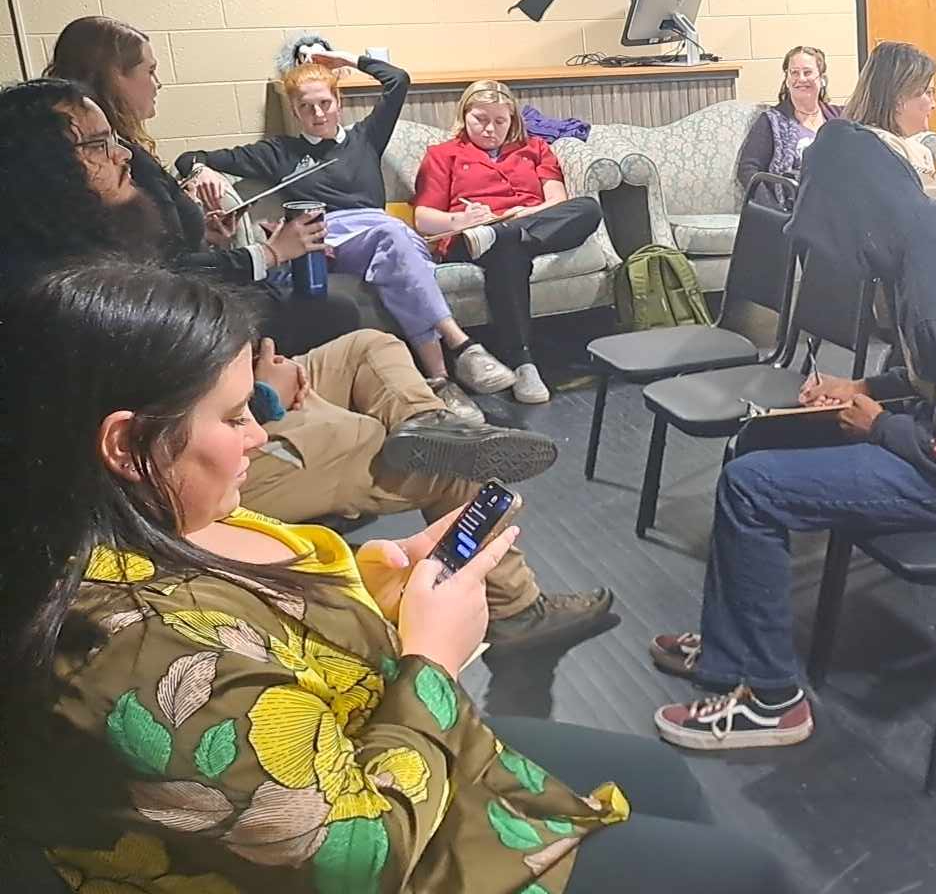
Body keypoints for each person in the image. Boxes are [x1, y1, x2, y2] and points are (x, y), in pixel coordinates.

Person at [0, 262, 793, 893]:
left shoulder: (171, 517)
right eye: (236, 415)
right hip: (388, 828)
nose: (257, 435)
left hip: (376, 737)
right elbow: (359, 856)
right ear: (127, 444)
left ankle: (421, 426)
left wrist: (389, 578)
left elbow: (260, 634)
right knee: (750, 874)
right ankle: (421, 432)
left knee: (664, 781)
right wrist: (435, 662)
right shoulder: (132, 659)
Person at [646, 118, 936, 747]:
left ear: (855, 219)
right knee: (756, 445)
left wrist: (879, 427)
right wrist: (870, 390)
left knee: (752, 487)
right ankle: (728, 650)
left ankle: (773, 701)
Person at [175, 47, 519, 404]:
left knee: (396, 248)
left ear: (338, 102)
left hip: (377, 237)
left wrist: (341, 59)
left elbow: (397, 80)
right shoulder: (279, 152)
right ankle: (461, 345)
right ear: (294, 111)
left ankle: (441, 380)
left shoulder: (365, 138)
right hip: (321, 239)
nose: (317, 113)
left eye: (325, 103)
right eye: (306, 107)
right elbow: (188, 158)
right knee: (392, 235)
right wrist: (202, 170)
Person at [241, 328, 615, 652]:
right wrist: (264, 398)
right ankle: (515, 608)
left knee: (368, 348)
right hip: (234, 438)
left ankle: (426, 423)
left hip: (238, 385)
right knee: (451, 464)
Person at [39, 19, 359, 354]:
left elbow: (158, 241)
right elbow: (159, 269)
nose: (157, 83)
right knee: (337, 312)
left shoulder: (124, 149)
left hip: (192, 289)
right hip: (179, 312)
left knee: (342, 313)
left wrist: (202, 232)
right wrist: (270, 252)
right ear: (114, 76)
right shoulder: (109, 166)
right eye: (149, 71)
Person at [413, 80, 605, 404]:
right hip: (471, 237)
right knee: (506, 252)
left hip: (523, 226)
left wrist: (520, 216)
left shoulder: (535, 148)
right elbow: (423, 218)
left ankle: (505, 235)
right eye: (480, 119)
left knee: (588, 208)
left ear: (513, 121)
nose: (490, 129)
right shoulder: (442, 155)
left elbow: (557, 200)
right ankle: (524, 363)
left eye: (500, 121)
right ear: (464, 116)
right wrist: (463, 220)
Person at [840, 39, 936, 214]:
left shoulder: (850, 141)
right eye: (928, 92)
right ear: (899, 98)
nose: (933, 104)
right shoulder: (887, 150)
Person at [735, 45, 841, 201]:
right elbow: (748, 169)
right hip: (793, 205)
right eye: (794, 73)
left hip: (836, 201)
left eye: (808, 72)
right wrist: (771, 205)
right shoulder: (771, 121)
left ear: (822, 79)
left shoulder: (840, 117)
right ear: (787, 80)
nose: (801, 79)